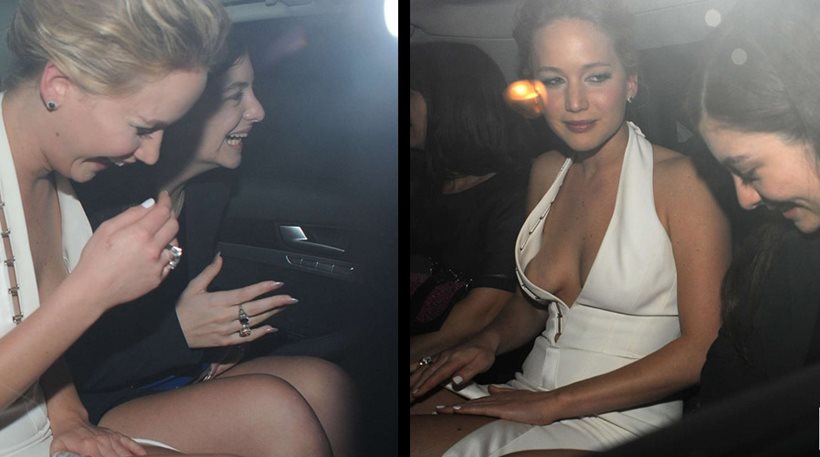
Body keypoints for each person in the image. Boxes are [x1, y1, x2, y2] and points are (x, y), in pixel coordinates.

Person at [409, 0, 731, 455]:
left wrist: (553, 404)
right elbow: (532, 309)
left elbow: (704, 349)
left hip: (620, 420)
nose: (575, 102)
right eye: (554, 80)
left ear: (631, 81)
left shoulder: (682, 183)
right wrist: (487, 341)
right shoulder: (545, 171)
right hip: (527, 392)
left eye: (596, 77)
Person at [64, 29, 354, 457]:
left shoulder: (207, 191)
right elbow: (61, 360)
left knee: (327, 384)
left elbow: (179, 309)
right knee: (274, 410)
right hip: (94, 404)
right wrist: (180, 333)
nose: (258, 111)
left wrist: (221, 338)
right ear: (181, 108)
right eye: (236, 95)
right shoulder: (93, 204)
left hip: (172, 375)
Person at [0, 1, 237, 456]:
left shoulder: (60, 179)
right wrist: (93, 292)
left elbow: (39, 331)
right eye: (143, 128)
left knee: (286, 406)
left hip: (44, 432)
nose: (151, 155)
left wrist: (68, 414)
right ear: (58, 86)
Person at [409, 42, 536, 380]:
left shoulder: (517, 192)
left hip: (466, 366)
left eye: (409, 94)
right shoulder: (418, 180)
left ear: (449, 102)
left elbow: (482, 312)